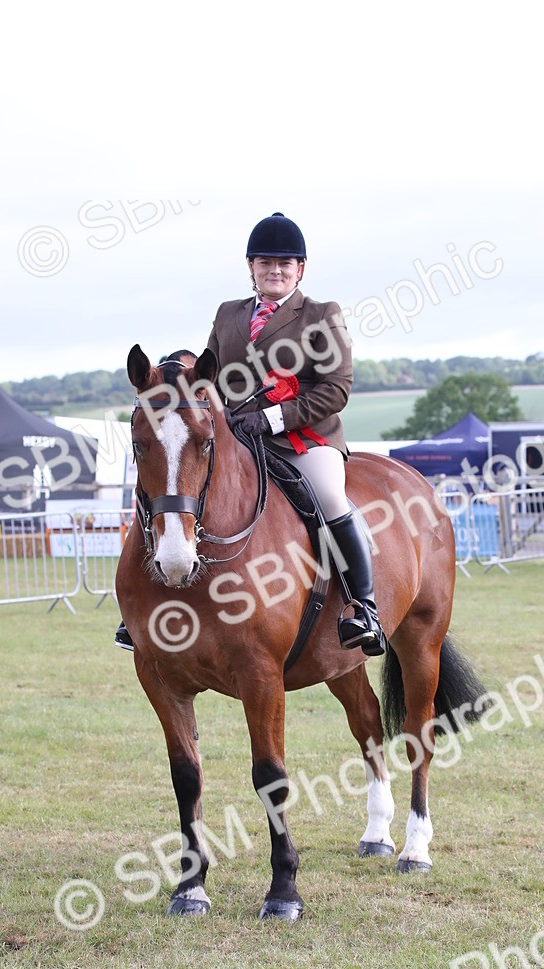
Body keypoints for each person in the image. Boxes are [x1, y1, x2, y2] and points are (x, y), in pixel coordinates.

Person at [115, 212, 385, 656]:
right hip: (236, 438)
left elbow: (336, 389)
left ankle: (363, 607)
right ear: (251, 268)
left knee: (330, 497)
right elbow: (208, 379)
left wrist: (273, 419)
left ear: (300, 269)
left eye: (285, 263)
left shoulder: (322, 315)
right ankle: (138, 609)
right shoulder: (228, 314)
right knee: (169, 485)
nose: (274, 270)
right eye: (265, 263)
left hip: (303, 440)